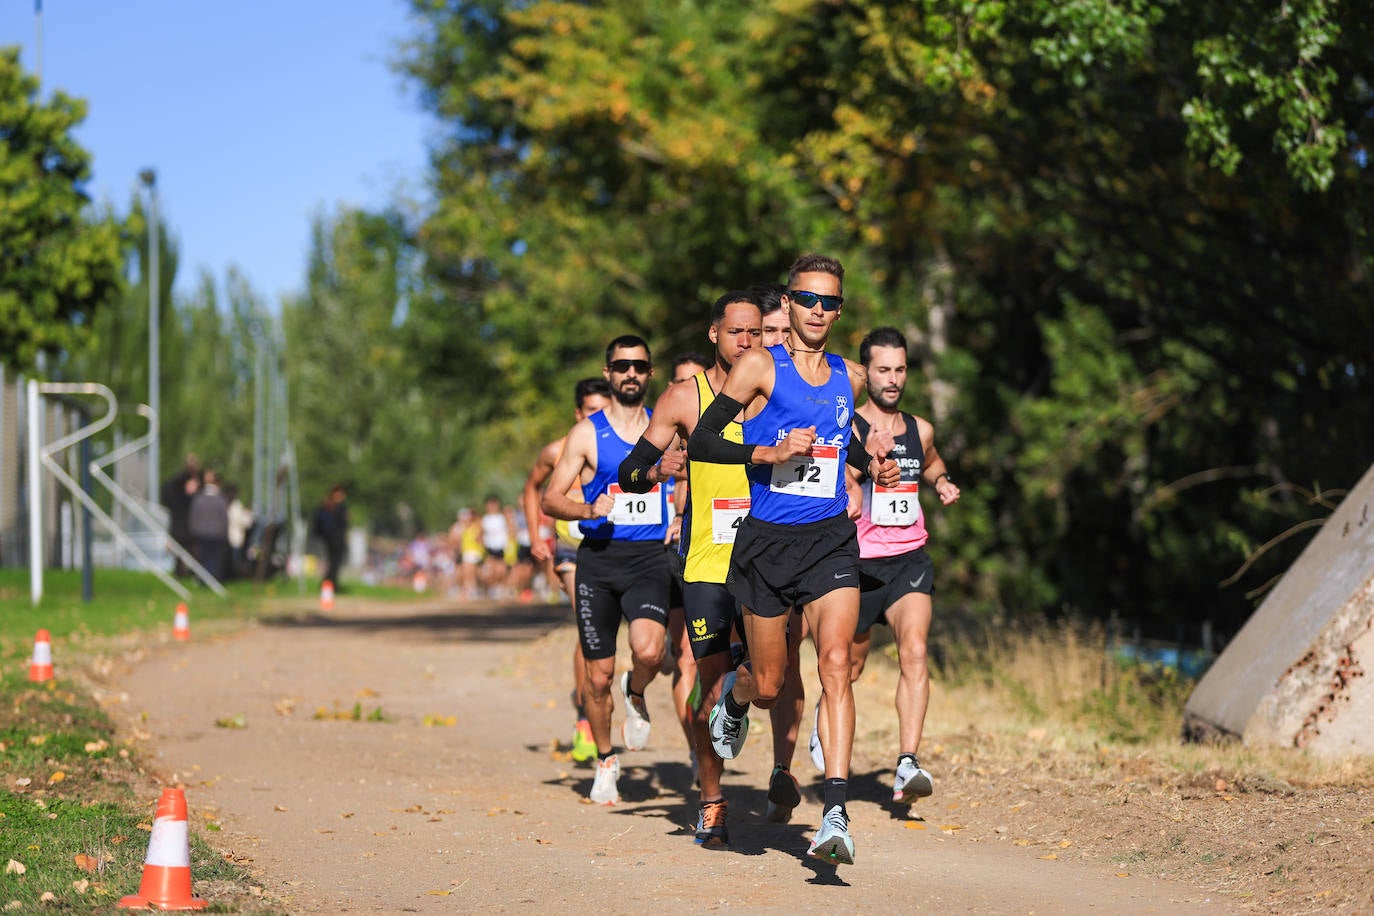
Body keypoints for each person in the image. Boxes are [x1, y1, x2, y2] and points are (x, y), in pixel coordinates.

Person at [687, 253, 899, 865]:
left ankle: (834, 812)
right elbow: (704, 439)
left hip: (830, 539)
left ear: (840, 309)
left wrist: (873, 464)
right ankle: (732, 694)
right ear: (789, 301)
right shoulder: (759, 365)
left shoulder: (848, 375)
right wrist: (767, 451)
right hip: (767, 546)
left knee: (836, 664)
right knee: (769, 684)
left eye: (831, 302)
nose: (818, 312)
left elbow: (843, 441)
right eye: (808, 299)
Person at [618, 291, 762, 846]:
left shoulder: (778, 390)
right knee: (706, 679)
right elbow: (631, 471)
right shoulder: (684, 397)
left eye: (756, 333)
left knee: (763, 681)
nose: (747, 342)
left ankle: (740, 705)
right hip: (705, 561)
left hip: (770, 558)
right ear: (714, 335)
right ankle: (712, 800)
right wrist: (658, 471)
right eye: (735, 333)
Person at [818, 326, 961, 803]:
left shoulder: (920, 429)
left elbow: (934, 460)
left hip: (908, 560)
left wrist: (940, 483)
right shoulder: (848, 426)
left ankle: (906, 764)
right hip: (857, 565)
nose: (893, 378)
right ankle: (827, 726)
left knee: (914, 651)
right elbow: (835, 479)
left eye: (900, 369)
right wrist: (865, 466)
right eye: (883, 369)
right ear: (867, 371)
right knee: (849, 668)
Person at [542, 336, 673, 805]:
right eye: (622, 366)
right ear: (610, 371)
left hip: (649, 560)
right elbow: (549, 497)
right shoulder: (586, 434)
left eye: (639, 365)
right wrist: (586, 506)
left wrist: (680, 515)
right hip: (599, 559)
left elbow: (699, 475)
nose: (631, 373)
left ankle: (635, 689)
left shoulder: (667, 426)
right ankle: (605, 760)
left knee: (650, 651)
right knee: (595, 678)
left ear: (650, 372)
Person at [521, 378, 612, 763]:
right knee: (585, 620)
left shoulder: (618, 447)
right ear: (578, 413)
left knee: (602, 630)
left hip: (611, 546)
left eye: (603, 410)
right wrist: (533, 536)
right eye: (591, 411)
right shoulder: (556, 451)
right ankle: (585, 720)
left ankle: (595, 699)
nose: (598, 417)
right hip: (569, 550)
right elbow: (531, 489)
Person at [160, 453, 200, 577]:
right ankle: (187, 573)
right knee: (188, 550)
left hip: (181, 523)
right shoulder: (182, 482)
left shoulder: (176, 483)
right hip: (186, 523)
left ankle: (184, 572)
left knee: (184, 551)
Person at [188, 468, 230, 582]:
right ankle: (213, 581)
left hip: (201, 533)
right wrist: (225, 534)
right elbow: (224, 519)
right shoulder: (221, 499)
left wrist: (194, 532)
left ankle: (203, 580)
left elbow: (193, 517)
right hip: (217, 534)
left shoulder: (198, 499)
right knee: (215, 559)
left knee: (203, 558)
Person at [312, 484, 349, 589]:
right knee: (333, 562)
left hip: (338, 538)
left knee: (335, 563)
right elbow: (322, 523)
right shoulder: (328, 506)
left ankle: (330, 583)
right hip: (331, 539)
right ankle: (329, 583)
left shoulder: (341, 507)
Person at [225, 483, 254, 580]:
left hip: (226, 537)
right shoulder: (236, 505)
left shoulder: (225, 503)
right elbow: (243, 522)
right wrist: (248, 514)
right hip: (235, 538)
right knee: (235, 561)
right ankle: (235, 577)